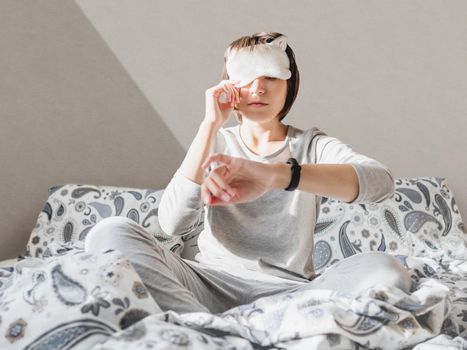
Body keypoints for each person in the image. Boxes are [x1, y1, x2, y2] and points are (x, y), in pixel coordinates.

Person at [84, 32, 412, 315]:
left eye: (270, 77)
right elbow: (172, 224)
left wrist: (276, 175)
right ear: (228, 83)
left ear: (289, 84)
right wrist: (210, 124)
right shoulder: (215, 142)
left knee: (385, 270)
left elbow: (380, 182)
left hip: (292, 293)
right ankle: (208, 328)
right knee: (110, 232)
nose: (258, 88)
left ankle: (215, 330)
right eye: (247, 76)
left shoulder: (311, 145)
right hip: (209, 285)